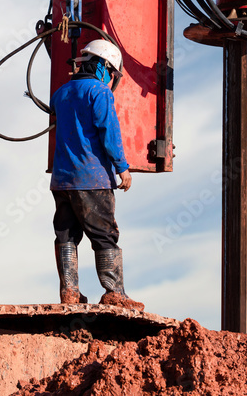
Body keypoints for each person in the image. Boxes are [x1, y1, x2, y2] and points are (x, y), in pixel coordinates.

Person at [49, 38, 143, 311]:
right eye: (111, 73)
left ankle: (69, 292)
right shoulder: (100, 93)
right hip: (91, 179)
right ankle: (114, 292)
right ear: (103, 67)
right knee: (104, 235)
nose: (112, 79)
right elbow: (108, 133)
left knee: (66, 235)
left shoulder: (61, 93)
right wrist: (122, 167)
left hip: (62, 180)